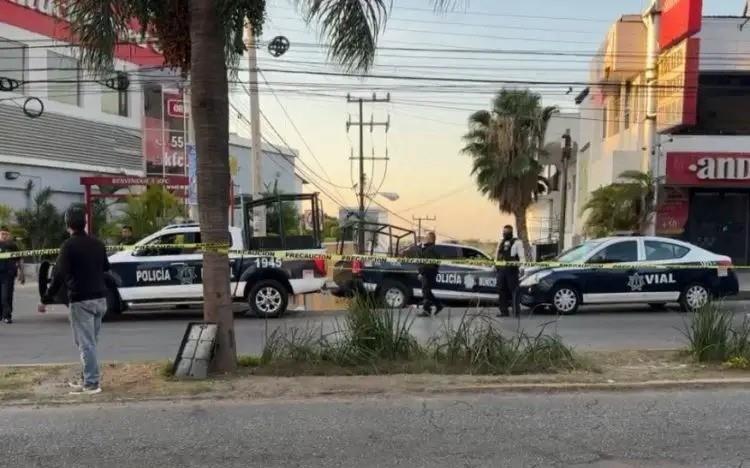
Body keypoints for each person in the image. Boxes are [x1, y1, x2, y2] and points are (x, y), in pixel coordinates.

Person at [39, 208, 110, 395]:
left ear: (67, 224)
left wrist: (46, 298)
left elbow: (59, 274)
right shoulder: (98, 244)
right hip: (100, 299)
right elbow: (105, 267)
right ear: (84, 223)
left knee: (85, 344)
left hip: (81, 300)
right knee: (91, 342)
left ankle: (92, 383)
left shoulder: (68, 246)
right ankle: (87, 377)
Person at [495, 225, 525, 318]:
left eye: (507, 232)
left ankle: (516, 311)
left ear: (511, 232)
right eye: (504, 232)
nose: (505, 233)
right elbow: (497, 255)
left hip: (511, 269)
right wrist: (495, 265)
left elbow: (521, 256)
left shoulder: (517, 242)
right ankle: (504, 311)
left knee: (514, 290)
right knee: (501, 290)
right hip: (501, 270)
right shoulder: (501, 242)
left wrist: (522, 268)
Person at [0, 226, 24, 324]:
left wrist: (21, 273)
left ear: (9, 235)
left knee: (6, 296)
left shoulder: (12, 246)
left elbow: (19, 260)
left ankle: (7, 316)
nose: (4, 236)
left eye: (6, 234)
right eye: (2, 234)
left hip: (8, 274)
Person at [418, 232, 443, 317]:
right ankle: (437, 306)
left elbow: (427, 264)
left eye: (427, 237)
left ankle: (427, 310)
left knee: (426, 291)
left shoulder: (431, 249)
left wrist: (422, 273)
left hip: (428, 273)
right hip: (429, 272)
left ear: (431, 239)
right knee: (426, 291)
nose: (425, 238)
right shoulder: (428, 248)